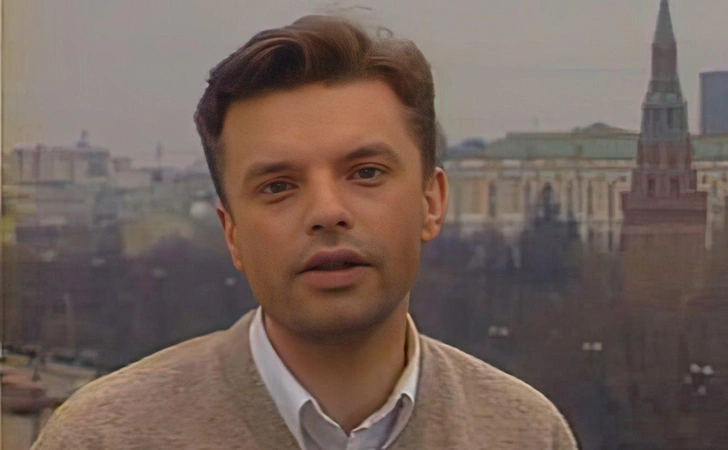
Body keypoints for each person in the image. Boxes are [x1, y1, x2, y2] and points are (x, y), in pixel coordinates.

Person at [32, 15, 577, 450]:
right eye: (278, 186)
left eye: (366, 173)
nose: (327, 211)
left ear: (431, 202)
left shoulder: (526, 433)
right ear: (232, 234)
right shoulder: (103, 437)